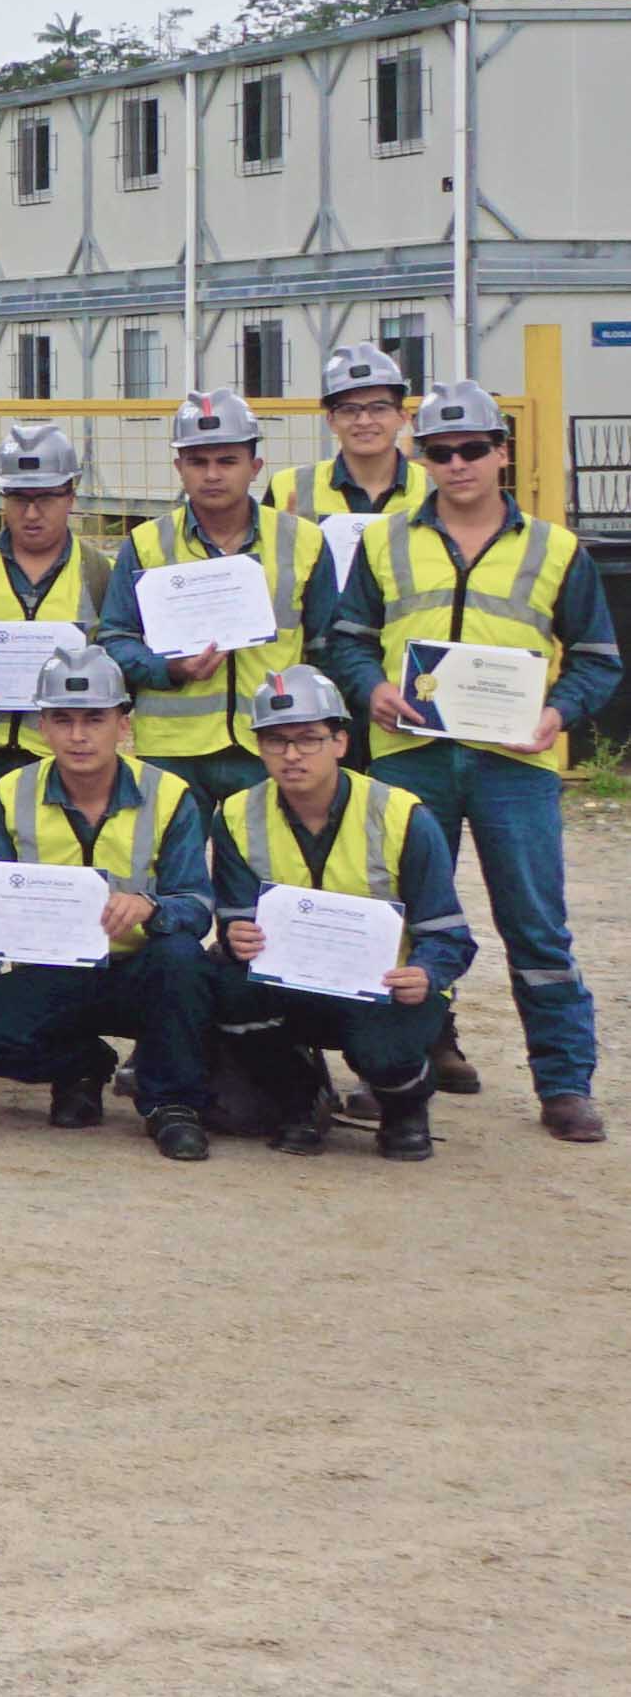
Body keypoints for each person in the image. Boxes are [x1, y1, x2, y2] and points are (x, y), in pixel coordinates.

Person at [325, 377, 613, 1142]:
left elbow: (595, 659)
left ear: (501, 454)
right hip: (410, 755)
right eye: (440, 452)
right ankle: (397, 1069)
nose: (457, 464)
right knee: (401, 920)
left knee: (535, 925)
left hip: (511, 764)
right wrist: (373, 688)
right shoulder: (386, 540)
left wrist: (557, 712)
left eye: (472, 449)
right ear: (421, 459)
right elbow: (348, 639)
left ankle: (562, 1084)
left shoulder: (554, 548)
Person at [0, 649, 217, 1159]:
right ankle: (80, 1066)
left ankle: (172, 1104)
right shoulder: (12, 791)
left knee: (183, 959)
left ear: (123, 723)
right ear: (42, 726)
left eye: (95, 719)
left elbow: (197, 905)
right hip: (52, 970)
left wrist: (150, 908)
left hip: (141, 969)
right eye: (62, 720)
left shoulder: (170, 794)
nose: (78, 735)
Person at [205, 666, 466, 1160]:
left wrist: (427, 974)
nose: (292, 755)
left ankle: (406, 1104)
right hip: (290, 981)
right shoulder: (237, 814)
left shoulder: (402, 814)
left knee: (383, 1053)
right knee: (221, 985)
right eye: (275, 741)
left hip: (385, 988)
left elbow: (448, 933)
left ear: (341, 743)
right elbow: (235, 917)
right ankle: (300, 1100)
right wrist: (237, 935)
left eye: (309, 739)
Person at [96, 389, 322, 806]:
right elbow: (115, 639)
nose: (212, 474)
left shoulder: (302, 541)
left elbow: (326, 647)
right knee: (168, 869)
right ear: (179, 467)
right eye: (198, 462)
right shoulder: (146, 544)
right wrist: (171, 669)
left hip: (269, 741)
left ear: (255, 466)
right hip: (173, 750)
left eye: (227, 461)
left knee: (259, 868)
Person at [0, 423, 111, 827]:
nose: (31, 513)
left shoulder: (98, 573)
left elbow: (118, 661)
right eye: (19, 498)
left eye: (47, 498)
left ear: (70, 494)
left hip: (62, 767)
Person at [266, 342, 423, 531]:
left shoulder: (434, 489)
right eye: (349, 410)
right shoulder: (287, 488)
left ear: (402, 416)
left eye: (379, 408)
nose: (364, 421)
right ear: (331, 420)